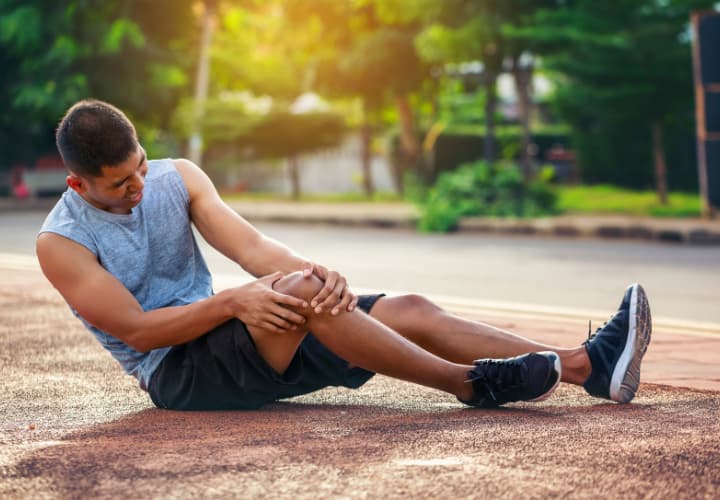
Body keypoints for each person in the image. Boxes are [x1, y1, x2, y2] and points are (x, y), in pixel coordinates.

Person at [37, 99, 652, 411]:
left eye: (141, 166)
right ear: (79, 184)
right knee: (298, 296)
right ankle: (470, 385)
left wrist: (314, 272)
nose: (140, 186)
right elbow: (140, 334)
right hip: (181, 374)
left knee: (403, 306)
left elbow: (252, 248)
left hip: (248, 336)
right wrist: (233, 303)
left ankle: (586, 368)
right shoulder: (61, 242)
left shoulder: (179, 177)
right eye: (121, 184)